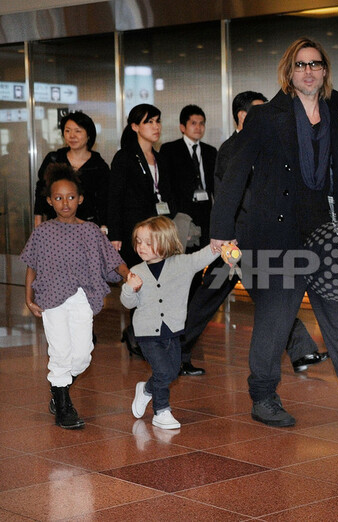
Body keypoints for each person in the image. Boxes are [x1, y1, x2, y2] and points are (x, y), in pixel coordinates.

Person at [210, 37, 338, 430]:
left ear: (325, 71)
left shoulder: (334, 117)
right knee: (275, 321)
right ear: (289, 71)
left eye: (315, 64)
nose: (308, 71)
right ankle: (263, 397)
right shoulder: (266, 116)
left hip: (322, 236)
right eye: (301, 65)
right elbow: (235, 172)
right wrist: (222, 229)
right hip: (277, 235)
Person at [180, 91, 330, 375]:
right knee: (211, 298)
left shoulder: (263, 144)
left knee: (267, 296)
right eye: (261, 112)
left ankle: (300, 350)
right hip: (236, 241)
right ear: (242, 116)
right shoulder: (232, 148)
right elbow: (233, 196)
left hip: (254, 240)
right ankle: (174, 352)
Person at [21, 164, 128, 429]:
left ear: (80, 198)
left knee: (82, 355)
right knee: (60, 352)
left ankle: (58, 389)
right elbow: (32, 266)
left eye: (70, 197)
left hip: (82, 297)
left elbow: (112, 259)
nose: (65, 203)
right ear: (49, 201)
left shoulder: (90, 231)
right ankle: (63, 406)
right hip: (51, 298)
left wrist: (130, 275)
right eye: (58, 198)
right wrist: (28, 299)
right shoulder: (42, 232)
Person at [122, 216, 218, 430]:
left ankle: (146, 390)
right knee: (164, 371)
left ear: (166, 242)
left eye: (148, 243)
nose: (141, 247)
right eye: (138, 241)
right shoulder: (137, 270)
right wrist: (129, 288)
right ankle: (161, 411)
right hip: (147, 333)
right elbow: (128, 303)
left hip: (172, 330)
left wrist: (222, 245)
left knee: (173, 372)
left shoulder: (182, 264)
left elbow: (204, 255)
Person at [108, 104, 176, 357]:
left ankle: (148, 334)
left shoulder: (160, 158)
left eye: (158, 121)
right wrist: (115, 235)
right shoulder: (125, 157)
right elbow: (114, 198)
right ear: (135, 126)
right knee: (141, 283)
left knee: (159, 283)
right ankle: (138, 334)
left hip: (159, 232)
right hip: (135, 232)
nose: (155, 127)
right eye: (149, 122)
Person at [160, 104, 217, 376]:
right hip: (181, 222)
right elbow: (166, 186)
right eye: (193, 123)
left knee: (198, 280)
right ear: (182, 126)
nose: (198, 127)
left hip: (206, 223)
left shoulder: (211, 152)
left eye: (201, 123)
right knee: (181, 278)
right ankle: (174, 342)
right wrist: (174, 216)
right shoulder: (170, 150)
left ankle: (185, 339)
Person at [34, 111, 109, 229]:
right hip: (56, 225)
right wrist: (38, 222)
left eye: (78, 131)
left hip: (88, 227)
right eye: (67, 131)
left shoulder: (98, 165)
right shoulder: (54, 159)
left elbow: (104, 200)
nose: (72, 136)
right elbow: (41, 190)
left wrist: (104, 226)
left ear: (89, 135)